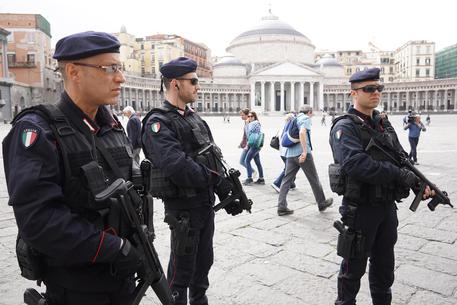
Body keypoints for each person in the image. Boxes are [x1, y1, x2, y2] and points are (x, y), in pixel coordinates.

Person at [3, 31, 143, 305]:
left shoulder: (112, 128)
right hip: (76, 289)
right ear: (74, 72)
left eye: (121, 68)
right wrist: (115, 248)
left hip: (122, 280)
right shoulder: (38, 131)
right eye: (110, 68)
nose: (121, 77)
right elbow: (39, 222)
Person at [329, 68, 433, 305]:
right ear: (353, 93)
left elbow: (402, 157)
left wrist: (418, 183)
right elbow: (356, 164)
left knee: (384, 270)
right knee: (352, 271)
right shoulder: (345, 126)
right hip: (360, 210)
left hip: (386, 209)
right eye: (369, 89)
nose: (376, 93)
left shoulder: (383, 124)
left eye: (379, 88)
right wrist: (399, 175)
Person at [141, 57, 231, 305]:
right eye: (193, 81)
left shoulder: (194, 118)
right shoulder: (158, 122)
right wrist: (212, 179)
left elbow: (212, 152)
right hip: (183, 210)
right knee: (181, 273)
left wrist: (225, 185)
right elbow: (176, 166)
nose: (197, 86)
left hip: (204, 205)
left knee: (203, 266)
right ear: (175, 84)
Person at [277, 105, 333, 216]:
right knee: (313, 178)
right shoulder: (305, 119)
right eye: (312, 113)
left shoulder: (294, 118)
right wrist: (304, 151)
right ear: (309, 112)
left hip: (290, 154)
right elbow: (302, 133)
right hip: (302, 154)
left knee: (286, 180)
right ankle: (321, 203)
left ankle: (281, 206)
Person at [271, 113, 296, 192]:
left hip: (281, 152)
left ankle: (291, 184)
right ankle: (277, 183)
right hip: (287, 152)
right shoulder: (290, 127)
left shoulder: (283, 127)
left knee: (291, 168)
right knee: (288, 169)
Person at [243, 111, 265, 185]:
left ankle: (249, 178)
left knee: (247, 161)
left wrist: (246, 124)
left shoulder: (253, 123)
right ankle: (261, 179)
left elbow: (248, 134)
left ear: (254, 117)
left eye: (251, 116)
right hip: (257, 145)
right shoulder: (257, 123)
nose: (249, 118)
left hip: (254, 145)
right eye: (248, 116)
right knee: (257, 162)